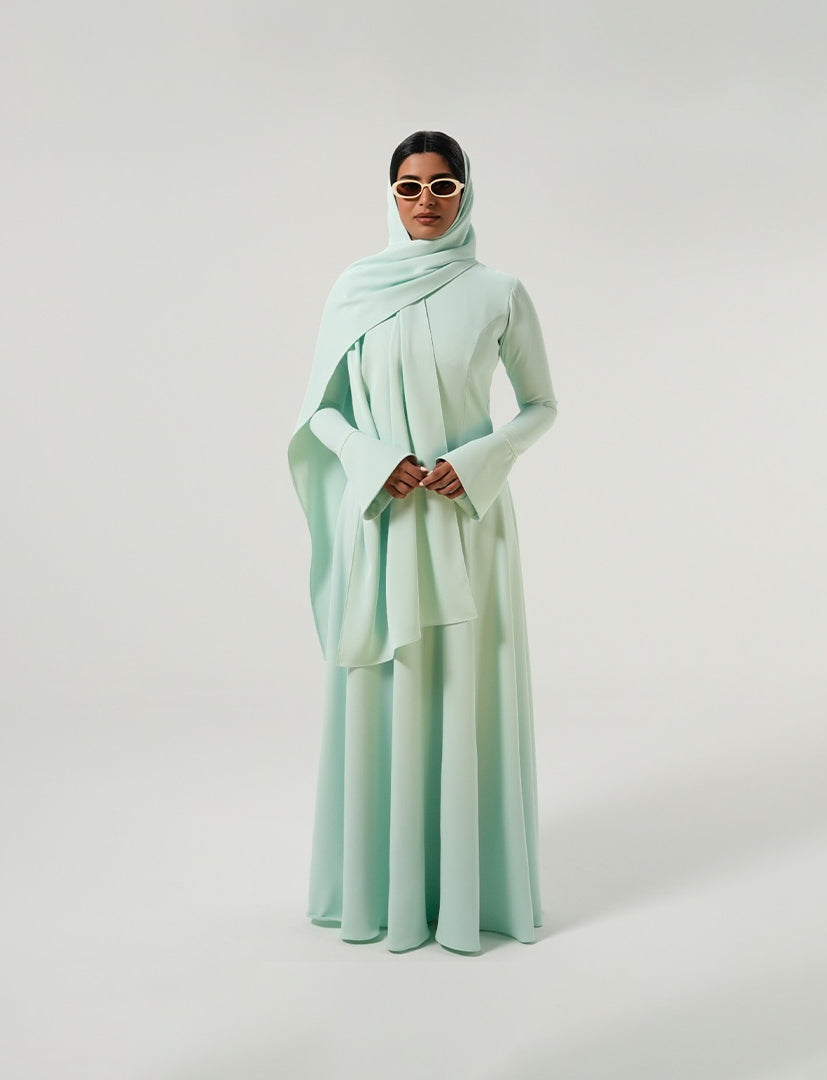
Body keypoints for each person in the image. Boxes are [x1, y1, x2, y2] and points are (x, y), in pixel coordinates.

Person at [287, 130, 558, 954]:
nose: (427, 201)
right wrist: (376, 462)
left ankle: (469, 891)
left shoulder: (500, 292)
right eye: (410, 186)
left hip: (465, 522)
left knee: (464, 689)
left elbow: (541, 406)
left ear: (466, 192)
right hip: (384, 521)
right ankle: (383, 892)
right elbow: (319, 414)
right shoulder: (355, 290)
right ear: (391, 195)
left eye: (443, 185)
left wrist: (474, 463)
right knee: (386, 688)